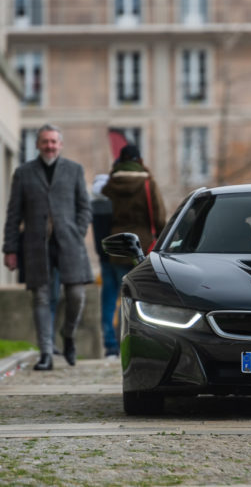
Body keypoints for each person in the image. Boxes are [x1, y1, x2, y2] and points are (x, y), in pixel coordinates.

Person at [2, 124, 93, 371]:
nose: (49, 146)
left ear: (60, 145)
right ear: (37, 144)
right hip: (35, 246)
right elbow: (13, 214)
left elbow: (85, 207)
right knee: (41, 298)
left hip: (69, 244)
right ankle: (46, 354)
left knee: (76, 295)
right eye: (45, 141)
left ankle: (68, 334)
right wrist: (9, 249)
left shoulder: (74, 170)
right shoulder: (23, 173)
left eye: (54, 141)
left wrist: (78, 231)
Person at [101, 144, 166, 281]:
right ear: (140, 161)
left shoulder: (109, 186)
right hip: (144, 246)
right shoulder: (148, 184)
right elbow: (159, 217)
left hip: (117, 246)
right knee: (142, 292)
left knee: (123, 293)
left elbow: (103, 215)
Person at [92, 174, 120, 358]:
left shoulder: (93, 202)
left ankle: (110, 346)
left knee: (108, 302)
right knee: (129, 301)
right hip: (122, 255)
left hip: (104, 257)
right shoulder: (117, 200)